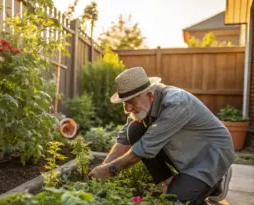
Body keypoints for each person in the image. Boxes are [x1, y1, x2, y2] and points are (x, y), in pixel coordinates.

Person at [88, 67, 234, 205]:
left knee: (173, 201)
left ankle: (215, 179)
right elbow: (123, 140)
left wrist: (110, 170)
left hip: (211, 154)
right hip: (187, 150)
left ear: (150, 95)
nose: (127, 109)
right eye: (125, 103)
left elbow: (144, 148)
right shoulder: (142, 107)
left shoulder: (176, 102)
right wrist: (102, 168)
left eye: (131, 102)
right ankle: (171, 183)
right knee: (134, 129)